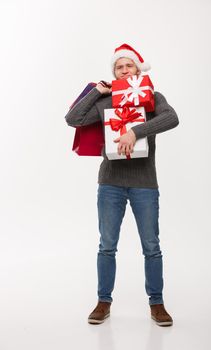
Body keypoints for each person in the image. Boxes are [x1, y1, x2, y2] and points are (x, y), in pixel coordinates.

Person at [65, 43, 179, 326]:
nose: (125, 70)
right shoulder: (107, 101)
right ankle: (104, 301)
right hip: (110, 183)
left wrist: (134, 130)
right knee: (107, 245)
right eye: (119, 67)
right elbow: (73, 119)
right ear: (114, 73)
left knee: (151, 246)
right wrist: (97, 92)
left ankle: (157, 304)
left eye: (129, 65)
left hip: (144, 183)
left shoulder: (151, 98)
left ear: (138, 70)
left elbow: (172, 118)